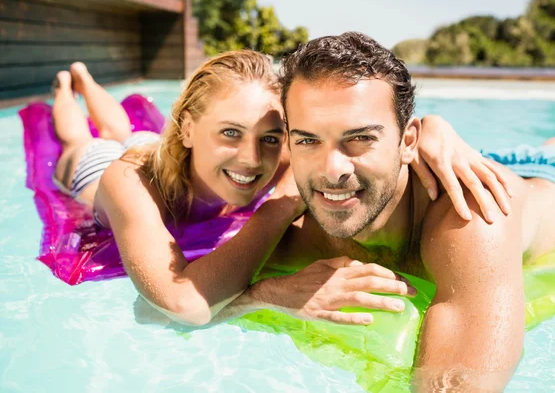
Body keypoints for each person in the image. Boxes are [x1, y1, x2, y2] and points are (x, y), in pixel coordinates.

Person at [205, 33, 555, 390]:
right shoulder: (285, 203)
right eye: (309, 140)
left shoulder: (471, 220)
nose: (332, 169)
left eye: (359, 138)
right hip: (459, 158)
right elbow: (186, 304)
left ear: (408, 141)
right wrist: (267, 295)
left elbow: (460, 385)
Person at [49, 54, 509, 326]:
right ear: (187, 128)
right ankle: (69, 88)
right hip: (94, 172)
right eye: (230, 132)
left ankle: (88, 80)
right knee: (86, 139)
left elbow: (362, 132)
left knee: (121, 125)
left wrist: (433, 128)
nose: (253, 159)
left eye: (270, 138)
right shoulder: (127, 183)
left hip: (165, 150)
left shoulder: (280, 153)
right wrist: (271, 273)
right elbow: (183, 304)